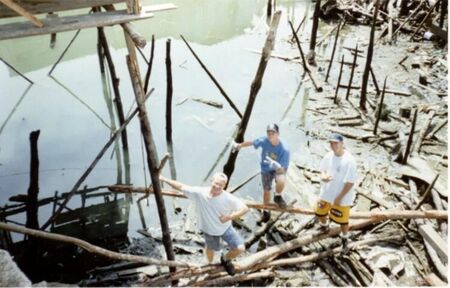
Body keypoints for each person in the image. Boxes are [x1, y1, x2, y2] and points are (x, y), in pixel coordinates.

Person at [159, 172, 249, 275]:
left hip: (225, 228)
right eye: (216, 183)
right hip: (209, 230)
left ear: (224, 186)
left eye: (221, 185)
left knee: (240, 248)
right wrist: (163, 179)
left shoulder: (227, 198)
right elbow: (180, 186)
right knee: (211, 250)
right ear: (211, 181)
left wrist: (229, 217)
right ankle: (210, 264)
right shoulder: (200, 193)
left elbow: (245, 208)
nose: (218, 187)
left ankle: (225, 259)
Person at [232, 123, 290, 223]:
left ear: (278, 133)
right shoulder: (264, 140)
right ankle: (266, 212)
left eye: (273, 133)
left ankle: (278, 196)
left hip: (278, 169)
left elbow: (283, 170)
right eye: (269, 133)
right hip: (266, 169)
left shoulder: (284, 149)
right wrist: (239, 145)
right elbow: (252, 143)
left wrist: (277, 167)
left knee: (281, 179)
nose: (271, 135)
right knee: (266, 191)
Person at [315, 133, 358, 253]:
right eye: (331, 143)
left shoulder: (349, 160)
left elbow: (350, 182)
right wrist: (323, 176)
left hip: (342, 196)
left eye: (336, 143)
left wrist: (340, 197)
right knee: (320, 211)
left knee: (343, 220)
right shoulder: (328, 156)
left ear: (342, 143)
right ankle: (324, 226)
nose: (333, 146)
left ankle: (345, 238)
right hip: (327, 191)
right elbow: (322, 170)